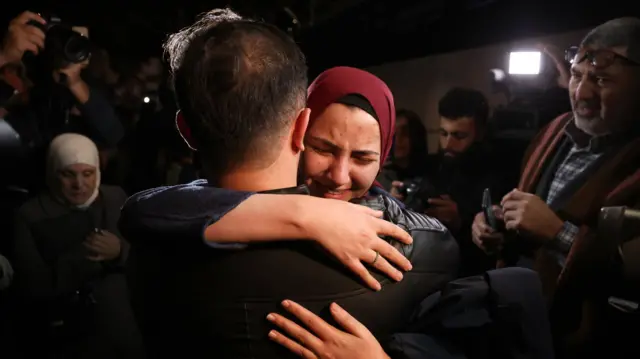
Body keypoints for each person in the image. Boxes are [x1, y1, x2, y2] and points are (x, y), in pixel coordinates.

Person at [122, 9, 459, 359]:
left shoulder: (148, 245)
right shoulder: (415, 254)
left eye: (362, 157)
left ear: (186, 130)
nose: (340, 175)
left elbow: (141, 211)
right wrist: (300, 211)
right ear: (301, 129)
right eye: (323, 148)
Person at [471, 17, 640, 358]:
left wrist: (559, 233)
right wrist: (497, 227)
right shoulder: (553, 131)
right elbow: (527, 219)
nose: (582, 93)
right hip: (512, 322)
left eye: (603, 80)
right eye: (577, 76)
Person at [10, 133, 143, 358]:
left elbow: (149, 260)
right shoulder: (30, 215)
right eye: (68, 174)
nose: (79, 184)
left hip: (123, 333)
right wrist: (82, 257)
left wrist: (120, 251)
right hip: (68, 338)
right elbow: (31, 286)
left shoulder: (115, 199)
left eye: (88, 173)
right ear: (53, 173)